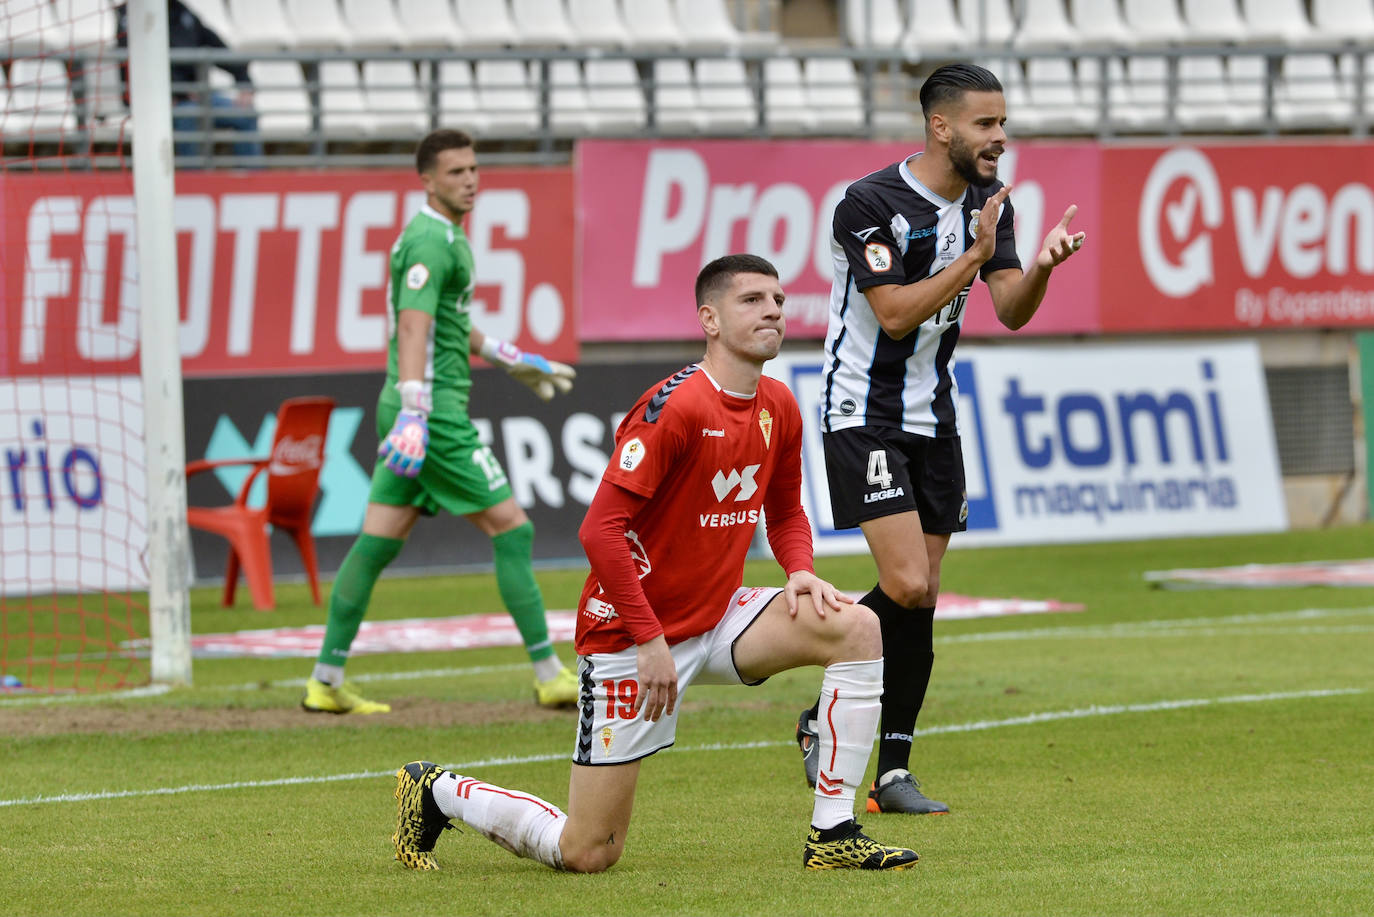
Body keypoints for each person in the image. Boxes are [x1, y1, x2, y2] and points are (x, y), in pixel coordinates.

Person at [389, 254, 918, 873]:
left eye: (777, 298)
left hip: (718, 617)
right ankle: (437, 791)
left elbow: (785, 512)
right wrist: (648, 640)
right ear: (710, 320)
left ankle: (832, 833)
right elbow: (600, 531)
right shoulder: (676, 409)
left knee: (858, 627)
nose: (772, 309)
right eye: (751, 300)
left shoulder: (779, 405)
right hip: (628, 633)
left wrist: (798, 567)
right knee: (588, 853)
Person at [794, 62, 1087, 814]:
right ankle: (808, 694)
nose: (999, 139)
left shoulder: (991, 202)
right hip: (864, 412)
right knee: (908, 584)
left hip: (937, 416)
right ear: (941, 126)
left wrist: (1041, 267)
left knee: (922, 602)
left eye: (1003, 124)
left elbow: (1012, 308)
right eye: (986, 125)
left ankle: (892, 772)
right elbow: (892, 313)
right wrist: (974, 255)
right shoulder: (869, 202)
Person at [302, 129, 579, 715]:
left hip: (415, 408)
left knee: (375, 544)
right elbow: (413, 326)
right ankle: (550, 672)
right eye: (455, 172)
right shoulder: (432, 241)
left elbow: (451, 326)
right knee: (514, 529)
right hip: (432, 414)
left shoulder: (443, 236)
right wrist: (414, 409)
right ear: (427, 180)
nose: (469, 180)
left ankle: (325, 681)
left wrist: (510, 357)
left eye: (474, 168)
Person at [115, 1, 264, 161]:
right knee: (189, 115)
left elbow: (216, 46)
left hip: (196, 97)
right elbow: (136, 65)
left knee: (246, 114)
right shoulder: (131, 14)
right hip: (158, 102)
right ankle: (194, 180)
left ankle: (251, 180)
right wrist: (180, 93)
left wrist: (243, 80)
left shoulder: (181, 11)